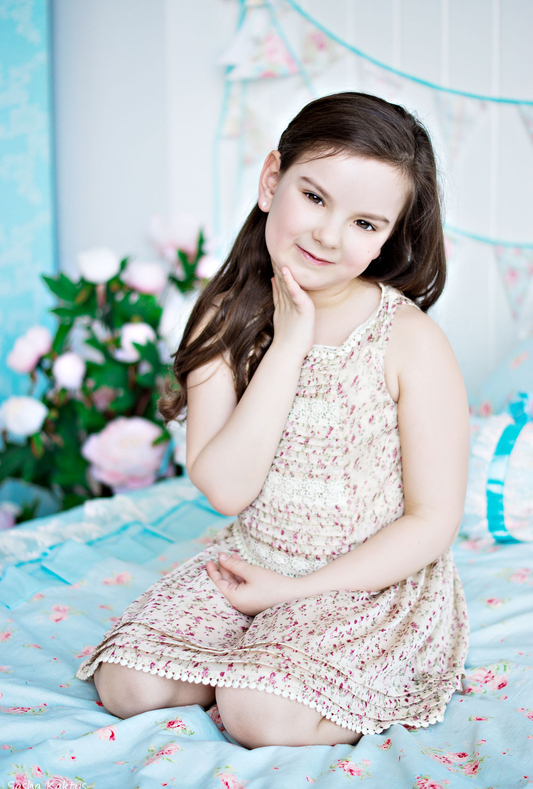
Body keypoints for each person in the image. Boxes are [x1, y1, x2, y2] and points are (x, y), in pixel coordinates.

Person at [76, 91, 471, 750]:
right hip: (254, 556)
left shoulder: (407, 339)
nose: (327, 235)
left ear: (387, 238)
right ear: (270, 180)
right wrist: (287, 347)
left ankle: (283, 673)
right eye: (314, 197)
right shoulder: (224, 316)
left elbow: (431, 520)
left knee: (257, 715)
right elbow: (227, 490)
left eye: (364, 223)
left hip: (365, 580)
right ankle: (255, 656)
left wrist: (298, 591)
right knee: (126, 687)